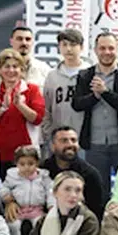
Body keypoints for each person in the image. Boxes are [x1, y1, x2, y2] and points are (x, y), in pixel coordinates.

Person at [72, 31, 118, 199]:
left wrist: (105, 92)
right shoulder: (85, 75)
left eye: (111, 48)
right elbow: (77, 104)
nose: (107, 52)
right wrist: (95, 96)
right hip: (94, 143)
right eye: (102, 48)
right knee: (98, 190)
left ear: (117, 49)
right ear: (95, 50)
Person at [0, 49, 45, 172]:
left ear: (21, 70)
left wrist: (20, 105)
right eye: (7, 66)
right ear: (0, 70)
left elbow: (37, 119)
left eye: (15, 66)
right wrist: (2, 108)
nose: (11, 70)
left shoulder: (31, 90)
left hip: (26, 154)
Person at [39, 28, 90, 157]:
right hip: (58, 137)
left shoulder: (90, 72)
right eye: (64, 45)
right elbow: (46, 108)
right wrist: (49, 132)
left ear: (81, 47)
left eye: (73, 45)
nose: (68, 49)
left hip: (85, 138)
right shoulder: (52, 76)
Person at [0, 146, 53, 235]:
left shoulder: (43, 177)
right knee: (13, 227)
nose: (26, 167)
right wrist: (7, 197)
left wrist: (51, 205)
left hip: (36, 210)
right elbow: (3, 188)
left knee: (40, 227)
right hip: (18, 209)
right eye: (22, 164)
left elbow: (50, 191)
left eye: (30, 164)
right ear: (16, 164)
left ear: (37, 163)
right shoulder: (12, 177)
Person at [40, 127, 107, 219]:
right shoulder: (41, 171)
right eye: (64, 141)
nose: (70, 144)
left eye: (73, 140)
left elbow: (96, 210)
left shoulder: (90, 174)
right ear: (53, 146)